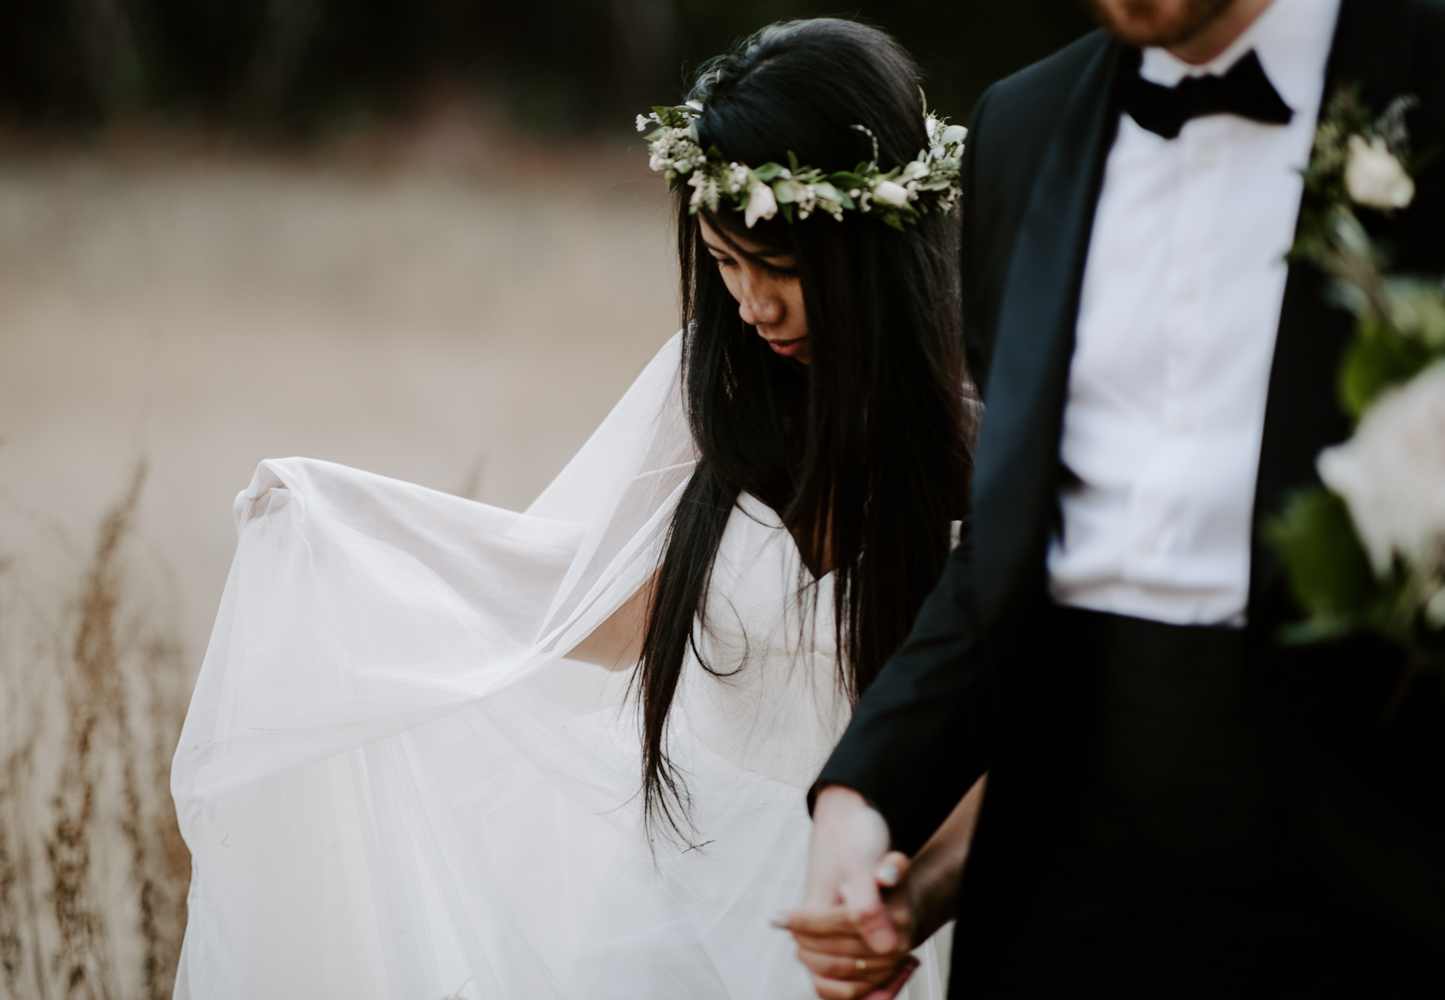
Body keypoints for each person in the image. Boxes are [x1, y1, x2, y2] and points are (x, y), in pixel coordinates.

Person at [170, 18, 978, 1000]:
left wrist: (914, 895)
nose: (751, 305)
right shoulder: (710, 390)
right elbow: (586, 598)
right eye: (725, 266)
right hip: (670, 900)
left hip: (868, 912)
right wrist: (354, 515)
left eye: (780, 269)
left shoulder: (991, 431)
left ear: (868, 251)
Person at [791, 0, 1445, 997]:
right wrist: (862, 789)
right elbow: (1006, 540)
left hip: (1373, 848)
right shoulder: (1021, 127)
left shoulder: (1429, 76)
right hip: (1062, 858)